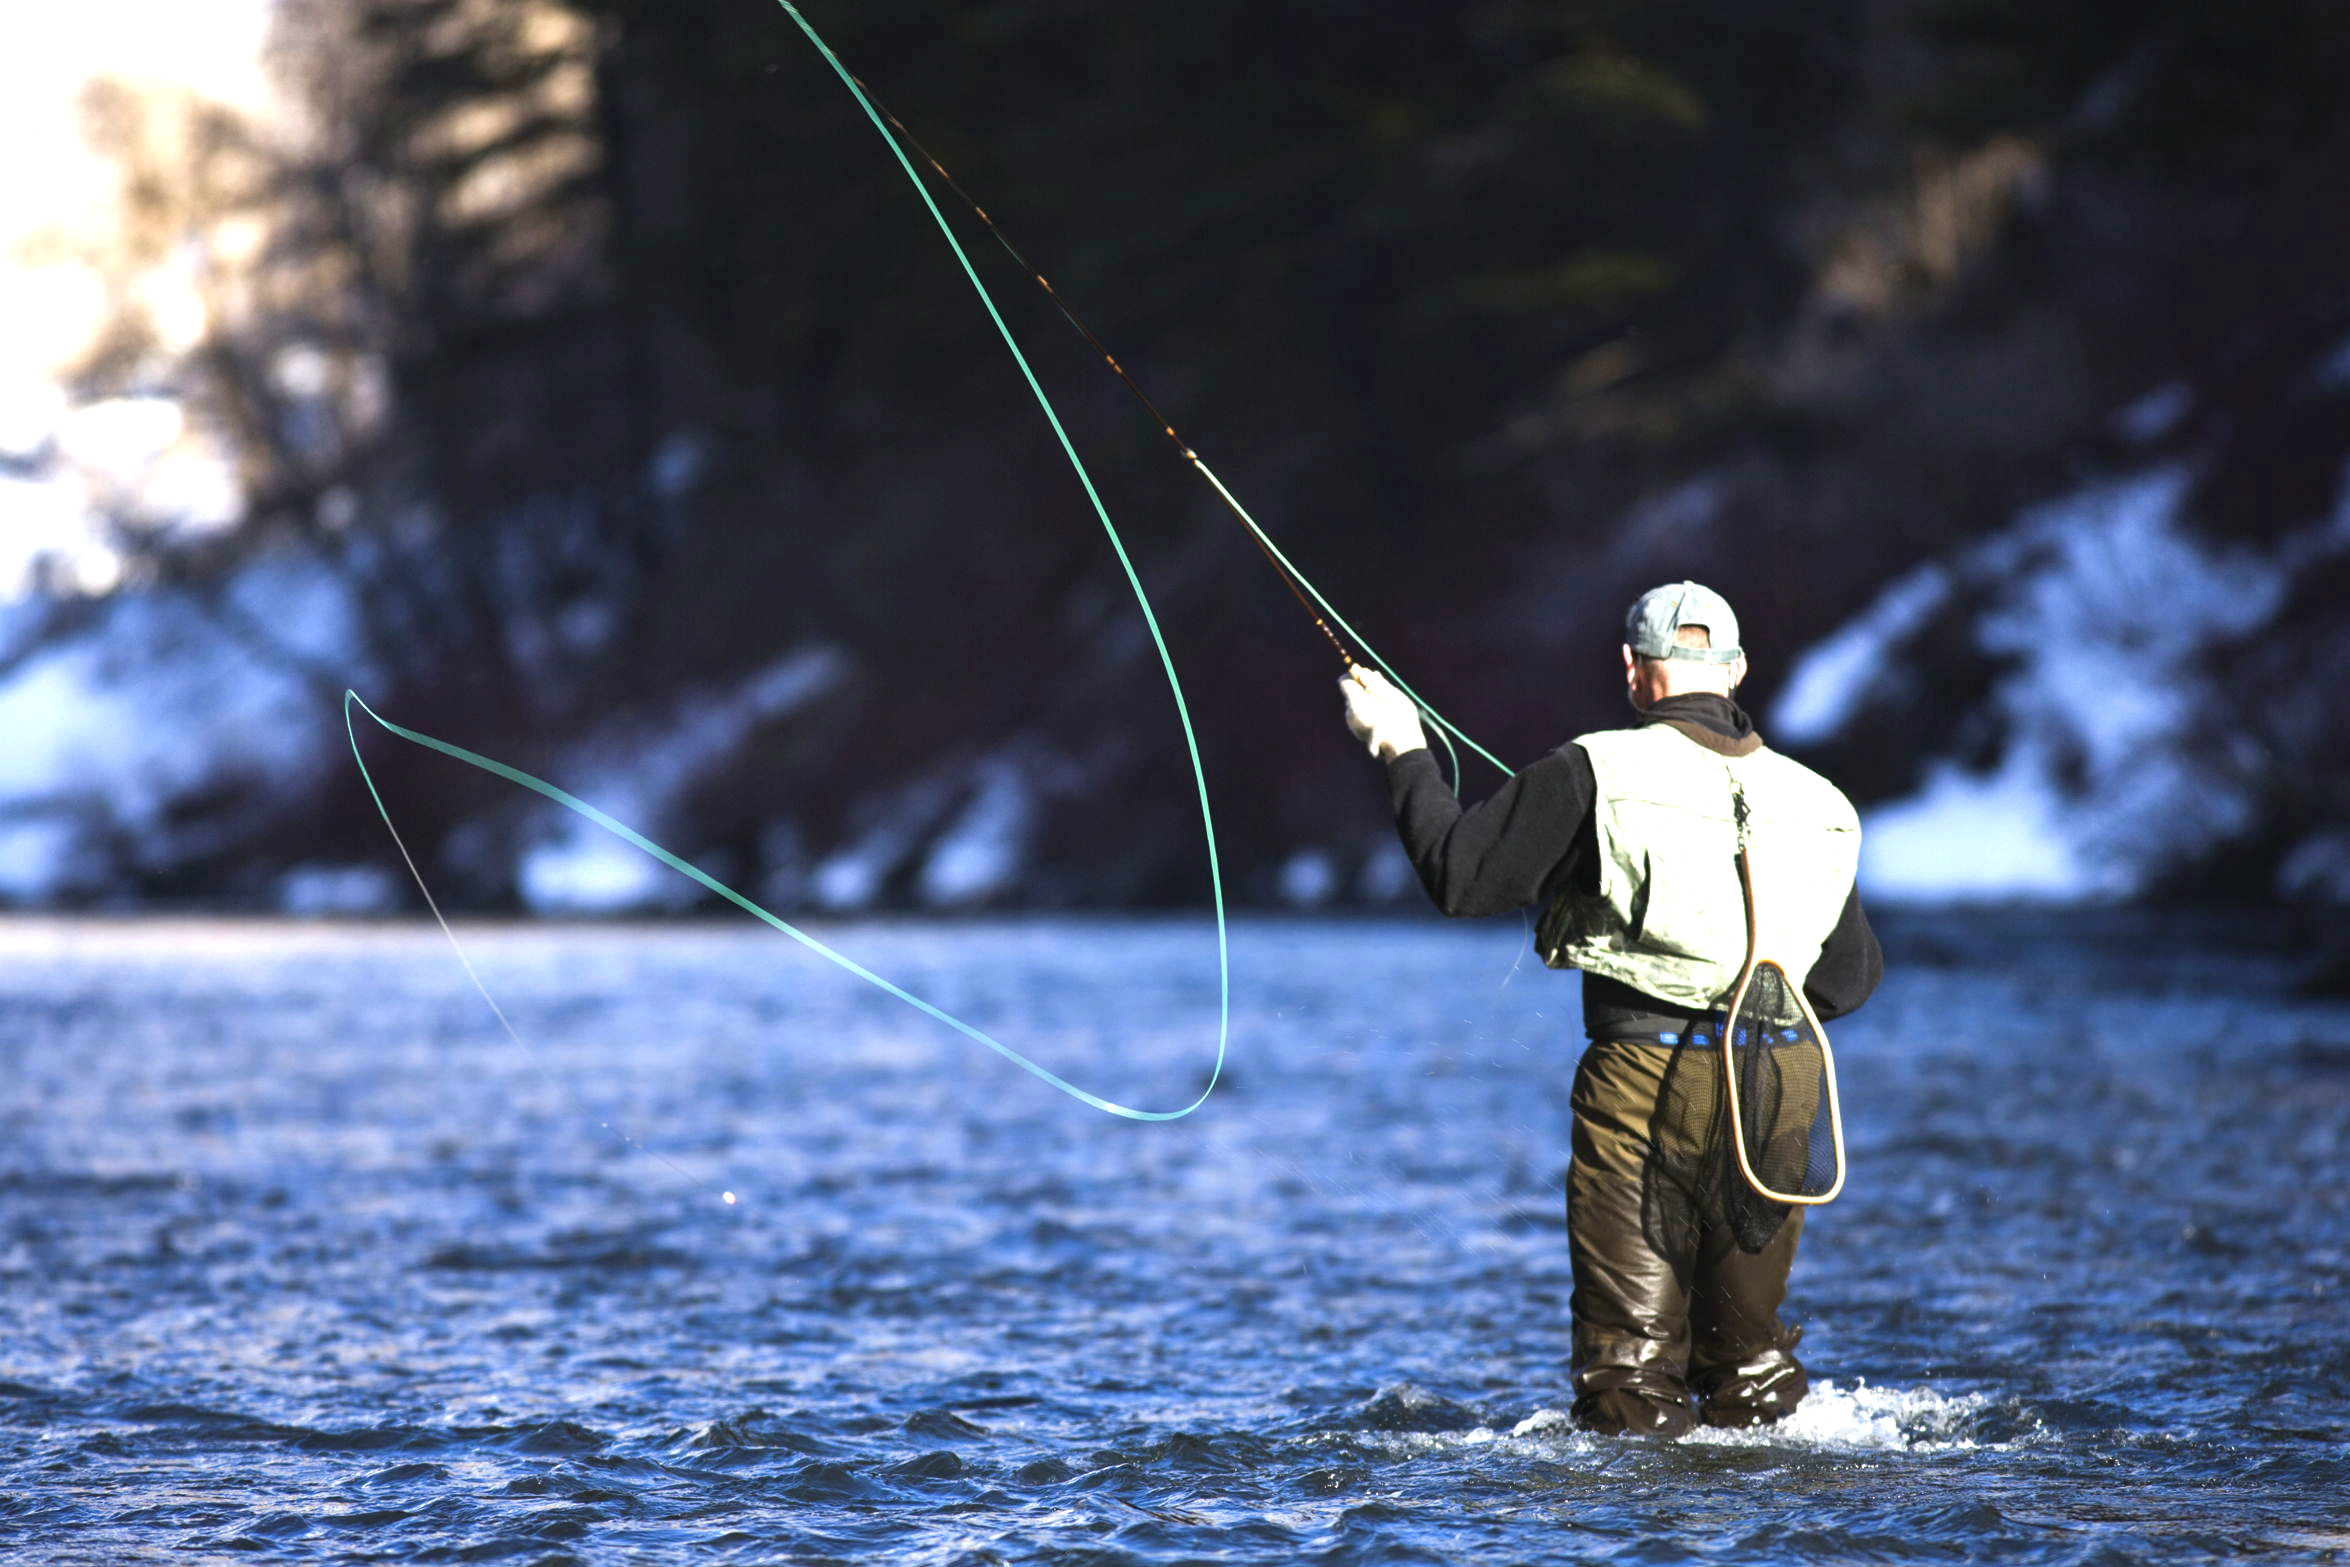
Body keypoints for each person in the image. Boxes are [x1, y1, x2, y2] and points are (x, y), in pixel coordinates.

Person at [1338, 581, 1882, 1437]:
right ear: (1737, 670)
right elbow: (1850, 977)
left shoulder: (1595, 768)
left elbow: (1461, 875)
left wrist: (1401, 746)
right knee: (1751, 1374)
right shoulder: (1824, 804)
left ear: (1633, 668)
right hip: (1779, 1080)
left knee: (1629, 1377)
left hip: (1641, 1075)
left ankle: (1647, 1513)